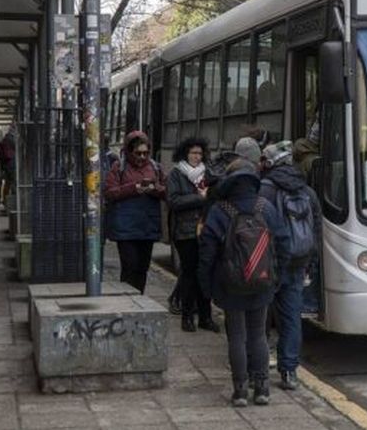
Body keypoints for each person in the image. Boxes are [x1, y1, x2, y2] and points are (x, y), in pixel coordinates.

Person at [198, 160, 291, 407]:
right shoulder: (266, 208)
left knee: (237, 337)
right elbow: (284, 244)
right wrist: (277, 277)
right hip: (262, 284)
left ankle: (240, 391)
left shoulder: (220, 210)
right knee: (258, 335)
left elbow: (206, 252)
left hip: (230, 284)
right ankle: (262, 389)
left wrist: (205, 286)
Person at [259, 140, 322, 391]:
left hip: (269, 263)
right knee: (292, 317)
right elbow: (316, 230)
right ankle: (289, 372)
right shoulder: (306, 191)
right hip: (297, 262)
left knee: (260, 316)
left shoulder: (264, 190)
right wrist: (310, 263)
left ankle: (260, 367)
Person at [166, 137, 219, 333]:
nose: (197, 157)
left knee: (205, 273)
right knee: (189, 273)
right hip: (185, 231)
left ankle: (205, 316)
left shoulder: (209, 173)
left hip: (206, 229)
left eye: (199, 153)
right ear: (185, 154)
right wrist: (199, 198)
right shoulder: (176, 174)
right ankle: (187, 316)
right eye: (193, 153)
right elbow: (173, 201)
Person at [104, 131, 165, 294]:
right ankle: (127, 299)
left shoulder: (155, 167)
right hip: (126, 227)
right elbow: (110, 192)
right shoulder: (119, 167)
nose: (142, 157)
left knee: (142, 268)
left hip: (148, 226)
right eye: (138, 153)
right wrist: (134, 188)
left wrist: (155, 189)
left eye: (145, 153)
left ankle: (140, 297)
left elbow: (166, 192)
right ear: (129, 151)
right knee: (129, 267)